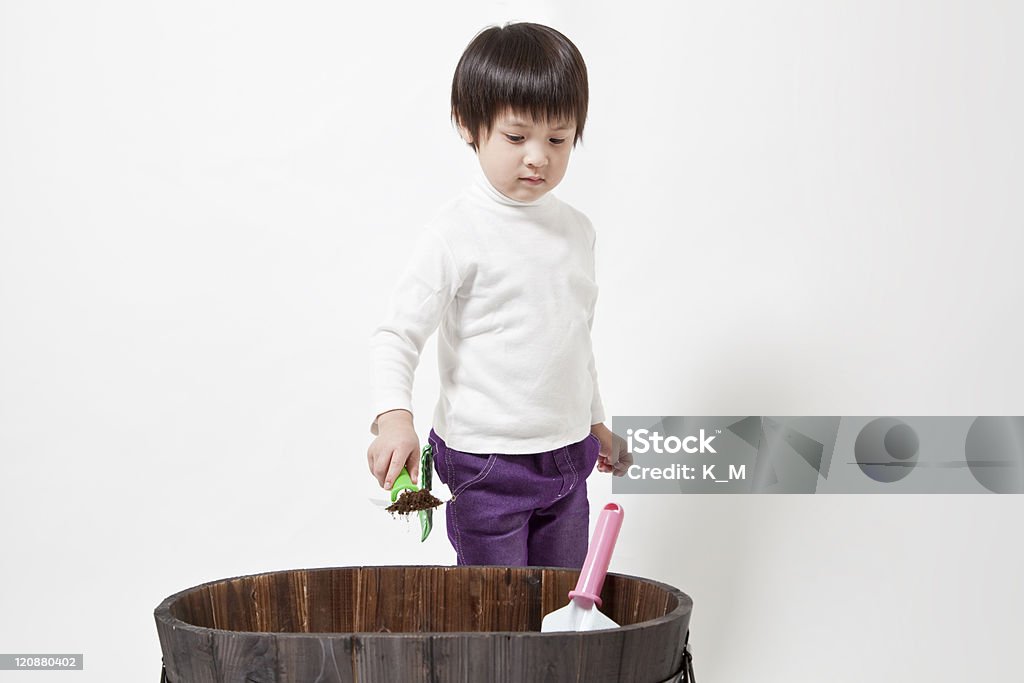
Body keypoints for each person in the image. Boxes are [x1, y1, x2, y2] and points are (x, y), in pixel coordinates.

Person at [367, 22, 631, 568]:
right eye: (516, 138)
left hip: (567, 457)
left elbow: (574, 338)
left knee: (558, 601)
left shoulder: (577, 230)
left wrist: (594, 419)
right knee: (494, 613)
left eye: (557, 139)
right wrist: (395, 416)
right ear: (469, 126)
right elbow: (398, 334)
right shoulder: (456, 233)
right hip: (486, 463)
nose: (538, 157)